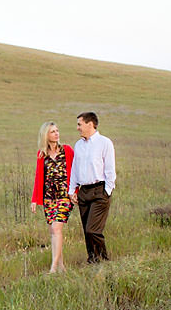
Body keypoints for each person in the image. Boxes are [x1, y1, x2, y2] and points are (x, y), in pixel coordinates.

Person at [68, 112, 116, 263]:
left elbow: (110, 169)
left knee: (93, 229)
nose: (77, 128)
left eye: (79, 124)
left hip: (99, 190)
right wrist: (72, 190)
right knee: (86, 231)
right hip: (84, 191)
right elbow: (75, 169)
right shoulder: (79, 145)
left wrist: (107, 191)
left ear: (90, 124)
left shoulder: (104, 143)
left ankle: (104, 259)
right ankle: (93, 260)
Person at [30, 122, 75, 273]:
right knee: (54, 232)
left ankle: (53, 268)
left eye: (57, 131)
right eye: (52, 132)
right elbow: (38, 178)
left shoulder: (67, 150)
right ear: (46, 135)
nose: (56, 134)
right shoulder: (41, 154)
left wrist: (75, 190)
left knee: (57, 228)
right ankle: (61, 266)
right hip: (49, 197)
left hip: (65, 196)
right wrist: (35, 200)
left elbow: (76, 170)